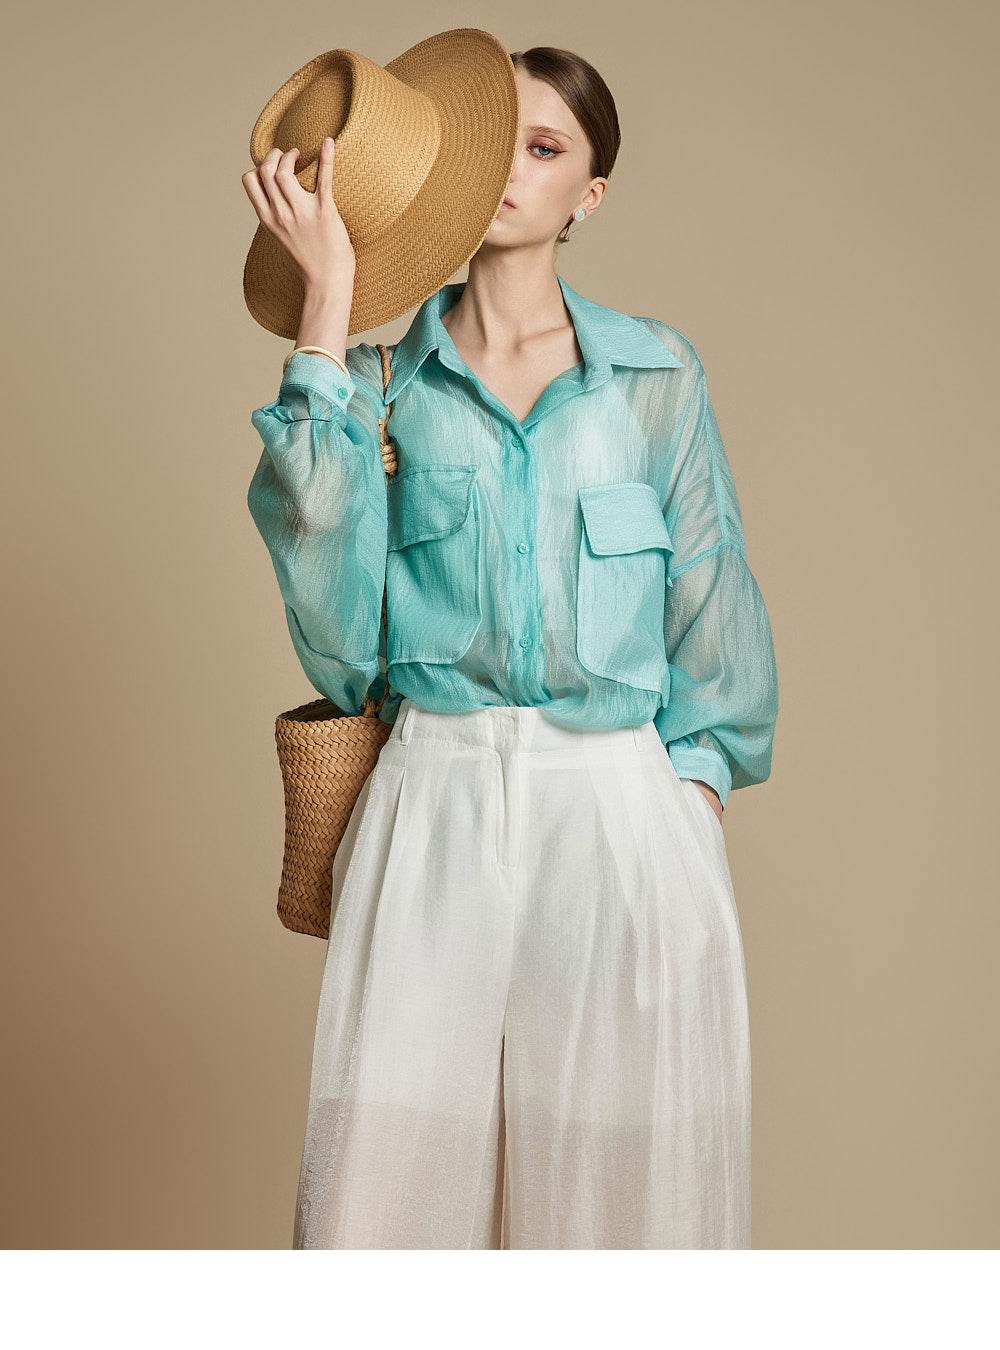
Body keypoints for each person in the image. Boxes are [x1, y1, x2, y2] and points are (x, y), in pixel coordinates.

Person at [241, 45, 779, 1249]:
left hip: (618, 809)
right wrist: (327, 303)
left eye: (545, 149)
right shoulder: (378, 387)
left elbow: (711, 599)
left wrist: (688, 807)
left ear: (591, 192)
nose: (513, 171)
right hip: (431, 796)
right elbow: (337, 637)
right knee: (379, 1209)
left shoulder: (654, 378)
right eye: (496, 146)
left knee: (627, 1222)